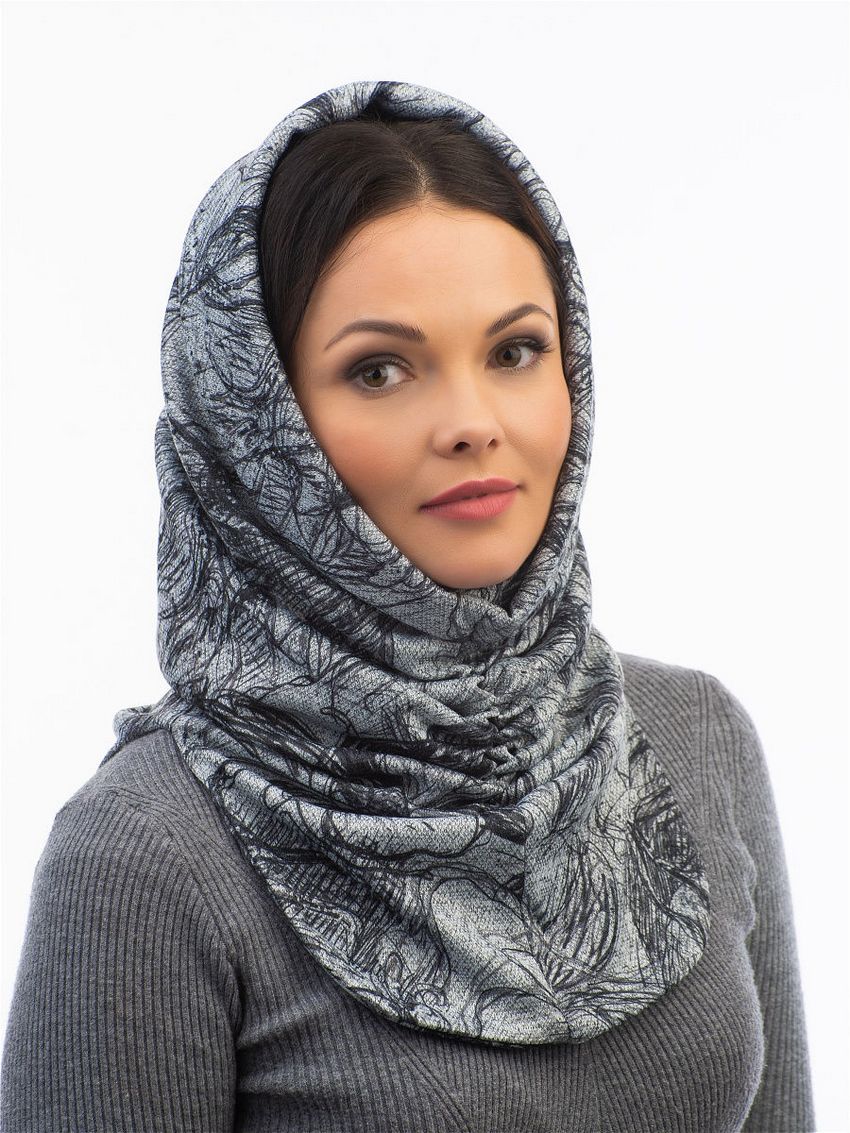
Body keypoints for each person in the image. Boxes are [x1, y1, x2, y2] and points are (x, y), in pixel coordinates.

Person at [0, 79, 814, 1133]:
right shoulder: (147, 854)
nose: (472, 420)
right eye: (379, 370)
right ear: (256, 419)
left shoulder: (694, 734)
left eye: (515, 351)